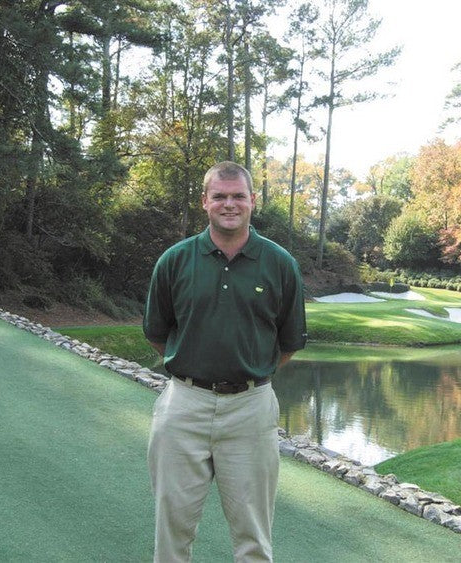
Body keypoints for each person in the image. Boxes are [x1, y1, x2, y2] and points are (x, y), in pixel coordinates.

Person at [143, 161, 307, 562]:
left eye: (238, 196)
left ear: (253, 201)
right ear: (205, 201)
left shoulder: (280, 263)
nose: (229, 204)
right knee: (173, 527)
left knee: (253, 533)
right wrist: (198, 370)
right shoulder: (175, 260)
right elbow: (157, 332)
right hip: (184, 406)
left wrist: (246, 374)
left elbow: (287, 343)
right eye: (220, 196)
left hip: (251, 408)